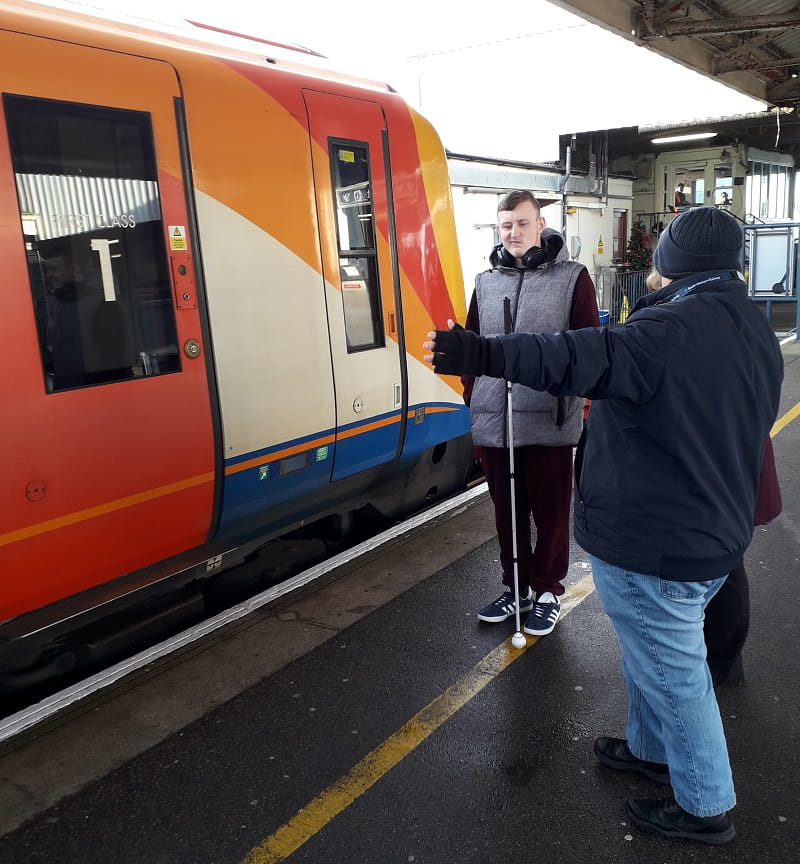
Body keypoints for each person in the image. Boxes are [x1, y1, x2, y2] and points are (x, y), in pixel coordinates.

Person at [423, 206, 783, 845]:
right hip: (704, 526)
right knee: (655, 656)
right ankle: (649, 750)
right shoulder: (745, 320)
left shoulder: (669, 330)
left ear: (675, 262)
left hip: (660, 539)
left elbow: (573, 354)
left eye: (661, 252)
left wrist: (477, 351)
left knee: (674, 672)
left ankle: (704, 805)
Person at [463, 190, 599, 637]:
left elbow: (587, 349)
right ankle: (517, 587)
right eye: (506, 225)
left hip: (549, 419)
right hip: (496, 422)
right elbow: (472, 349)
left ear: (540, 225)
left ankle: (547, 591)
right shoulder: (485, 282)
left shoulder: (572, 278)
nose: (514, 232)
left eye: (522, 223)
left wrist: (572, 401)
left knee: (551, 512)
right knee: (508, 514)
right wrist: (474, 396)